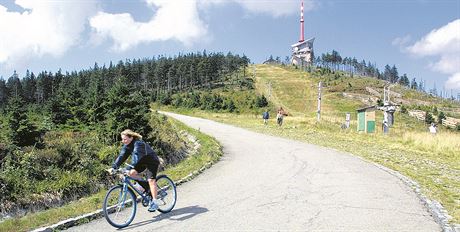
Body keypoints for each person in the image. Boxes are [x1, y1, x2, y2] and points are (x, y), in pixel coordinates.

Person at [108, 129, 161, 212]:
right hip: (141, 162)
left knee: (151, 180)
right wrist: (114, 167)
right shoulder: (127, 146)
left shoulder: (138, 144)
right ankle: (146, 188)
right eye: (122, 139)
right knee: (130, 174)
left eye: (125, 139)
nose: (123, 141)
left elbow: (136, 157)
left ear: (131, 138)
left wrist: (129, 168)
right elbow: (121, 156)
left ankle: (155, 202)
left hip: (151, 161)